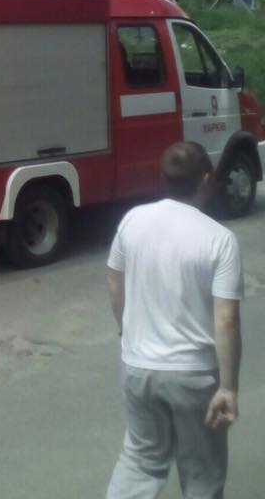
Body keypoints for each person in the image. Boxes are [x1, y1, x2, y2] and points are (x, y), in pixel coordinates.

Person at [105, 141, 244, 499]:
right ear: (207, 180)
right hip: (194, 377)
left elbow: (113, 281)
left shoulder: (132, 221)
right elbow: (226, 318)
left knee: (140, 462)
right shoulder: (220, 240)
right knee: (201, 473)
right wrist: (227, 387)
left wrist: (128, 333)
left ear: (163, 178)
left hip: (138, 368)